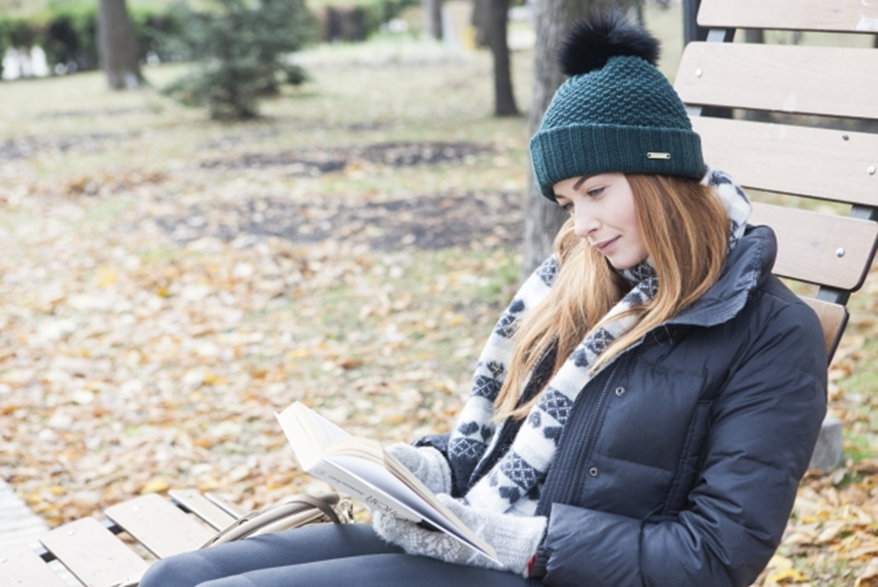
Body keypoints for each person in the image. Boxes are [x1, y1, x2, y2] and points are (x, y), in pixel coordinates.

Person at [139, 12, 827, 587]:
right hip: (478, 534)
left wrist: (520, 540)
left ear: (662, 178)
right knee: (175, 575)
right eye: (568, 202)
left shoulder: (771, 333)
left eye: (596, 191)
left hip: (549, 568)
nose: (583, 224)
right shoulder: (583, 287)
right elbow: (511, 446)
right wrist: (417, 471)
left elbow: (713, 556)